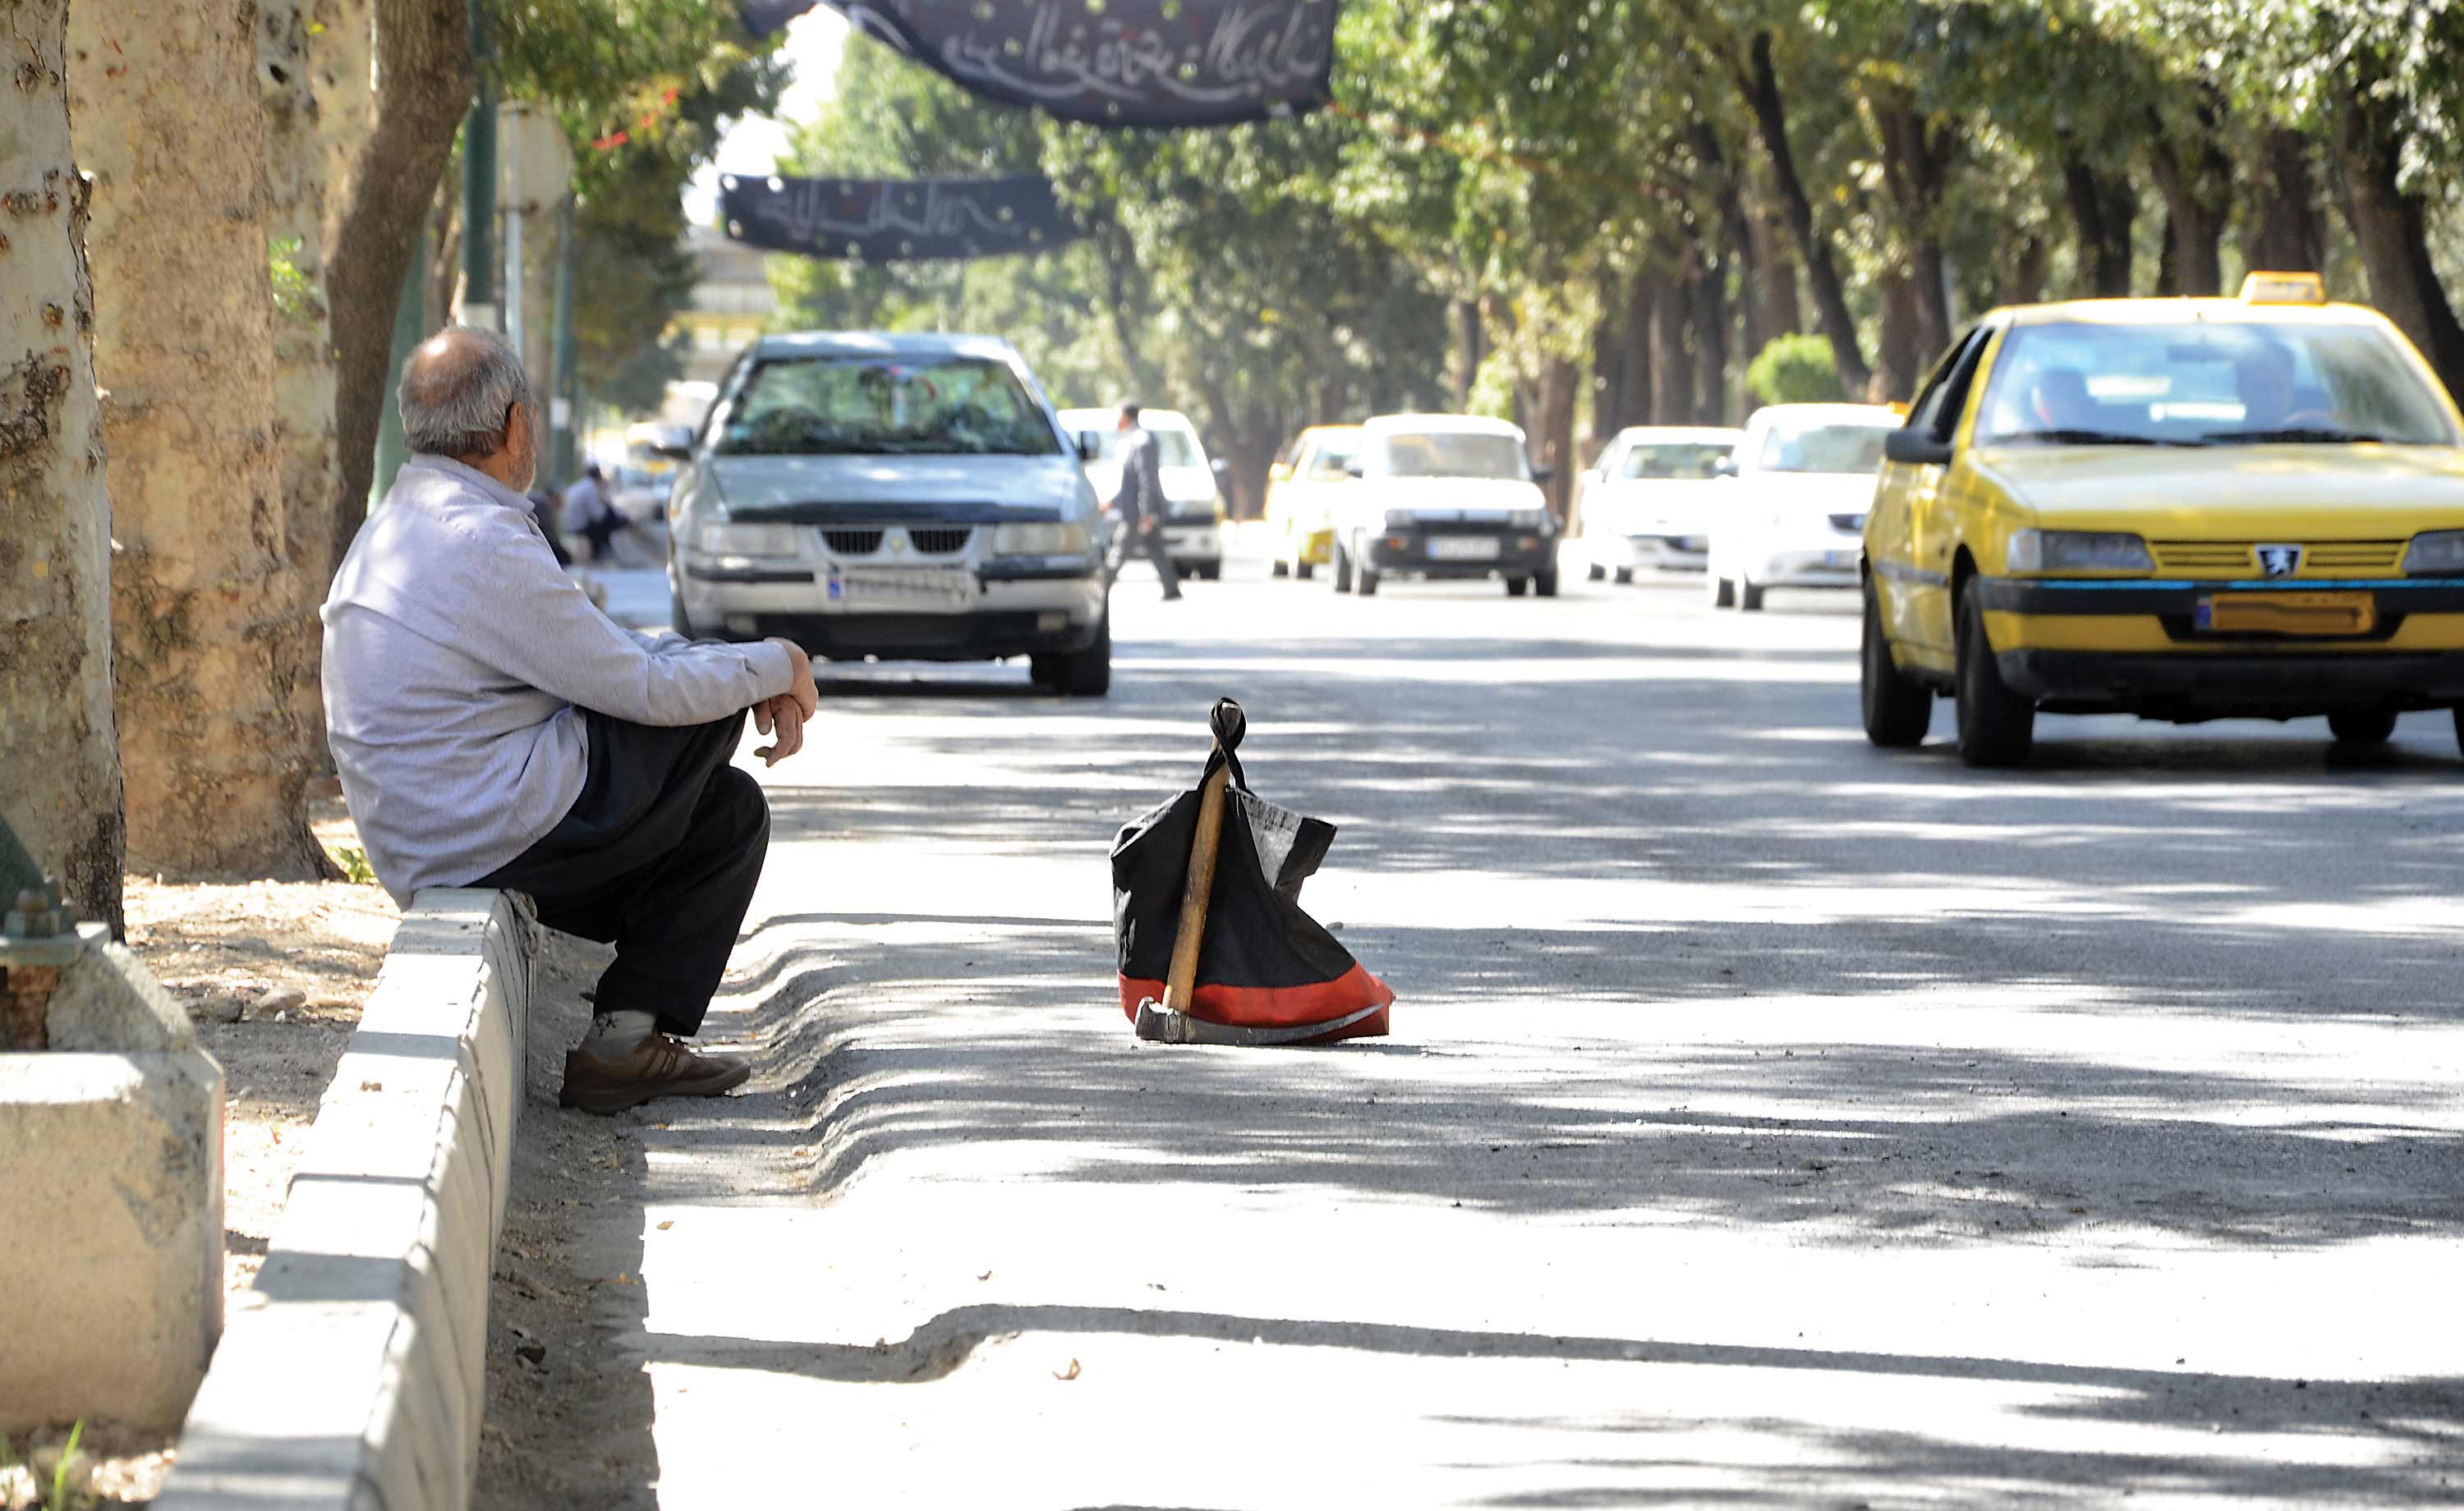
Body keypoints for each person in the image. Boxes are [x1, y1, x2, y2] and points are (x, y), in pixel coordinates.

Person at [322, 327, 821, 1114]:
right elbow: (645, 690)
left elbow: (605, 656)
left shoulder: (408, 520)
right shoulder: (478, 539)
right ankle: (624, 1044)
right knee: (690, 718)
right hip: (480, 834)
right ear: (516, 425)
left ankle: (623, 1045)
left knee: (728, 815)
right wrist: (778, 664)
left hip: (440, 835)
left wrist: (738, 668)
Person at [1106, 400, 1182, 601]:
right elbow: (1129, 482)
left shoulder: (1142, 440)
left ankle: (1100, 589)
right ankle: (1171, 588)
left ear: (1125, 416)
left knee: (1118, 553)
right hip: (1139, 509)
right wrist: (1111, 503)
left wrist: (1146, 513)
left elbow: (1146, 479)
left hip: (1137, 513)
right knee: (1156, 548)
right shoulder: (1131, 439)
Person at [560, 462, 632, 563]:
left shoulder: (581, 485)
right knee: (609, 520)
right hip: (578, 526)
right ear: (599, 476)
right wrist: (604, 499)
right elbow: (598, 515)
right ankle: (601, 552)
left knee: (609, 518)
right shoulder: (591, 488)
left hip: (569, 523)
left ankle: (604, 550)